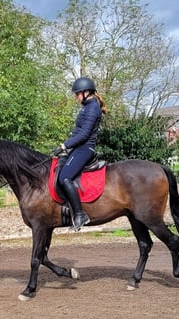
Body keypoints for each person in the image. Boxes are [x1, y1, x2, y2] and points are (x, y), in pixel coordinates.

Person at [53, 77, 107, 231]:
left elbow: (84, 135)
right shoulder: (87, 106)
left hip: (85, 149)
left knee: (64, 177)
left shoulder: (92, 108)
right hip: (78, 148)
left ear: (86, 92)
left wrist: (65, 145)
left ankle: (79, 214)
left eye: (77, 94)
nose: (76, 97)